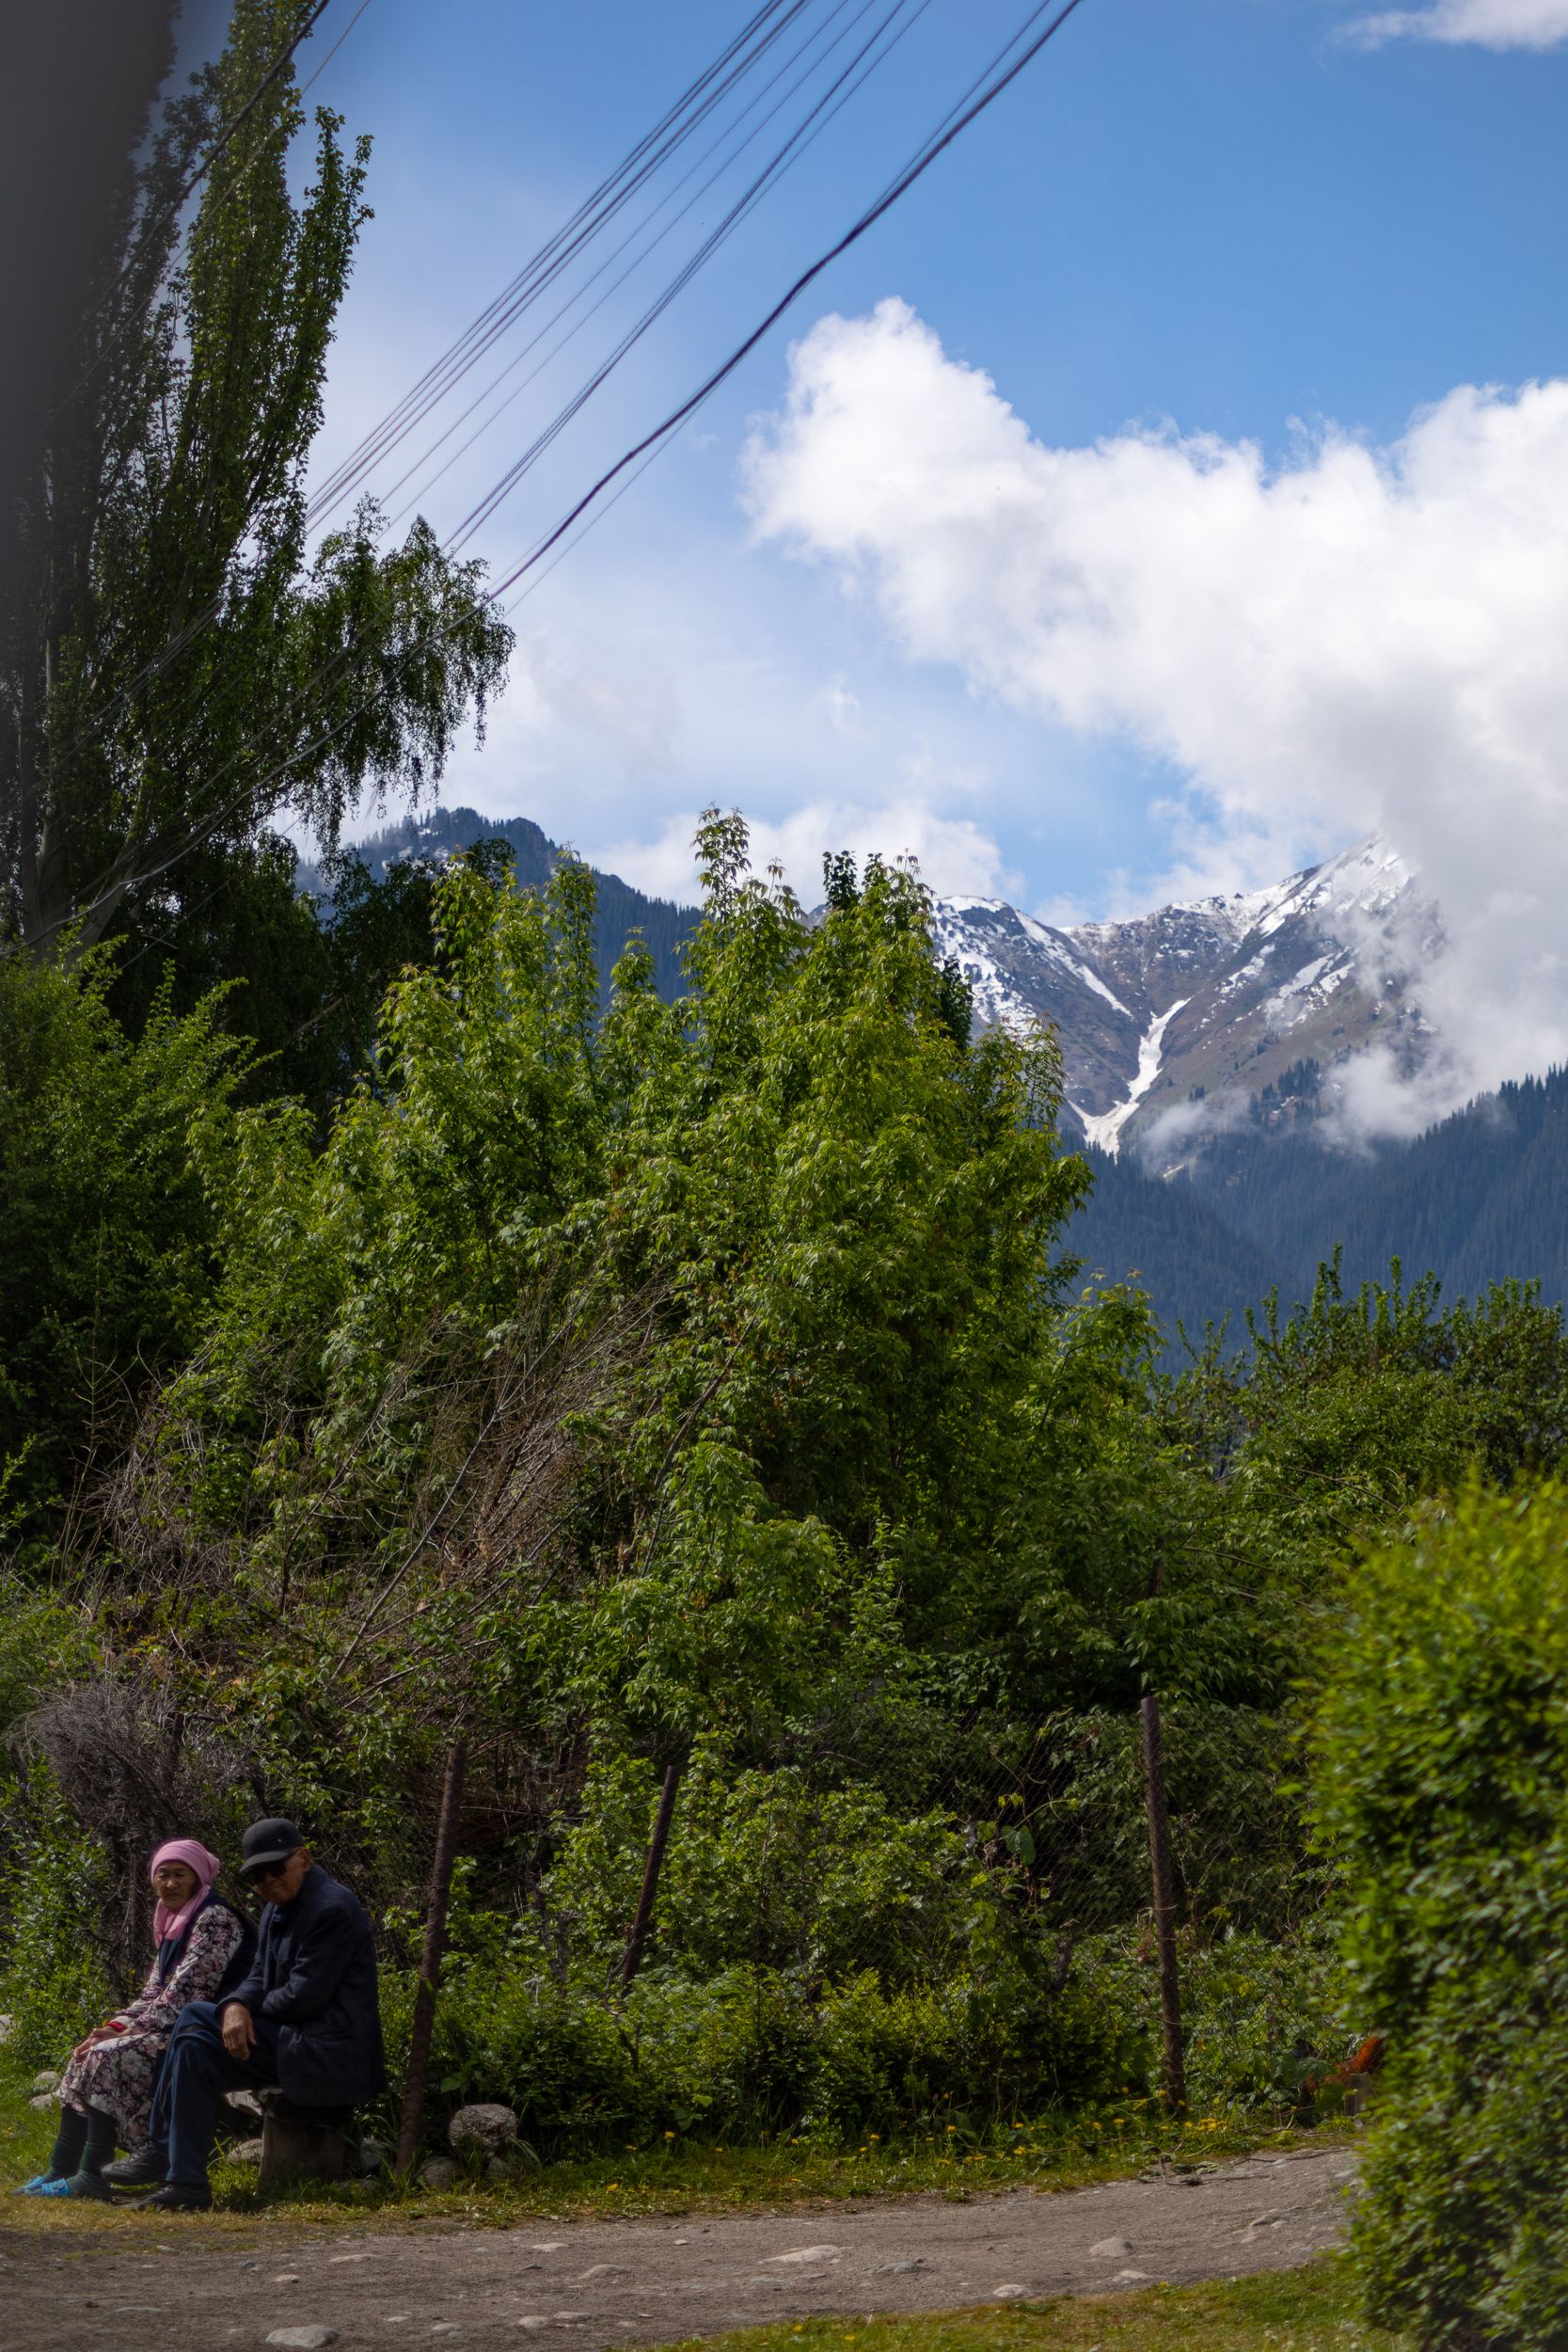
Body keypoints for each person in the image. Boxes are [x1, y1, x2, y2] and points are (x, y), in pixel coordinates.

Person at [106, 1817, 386, 2211]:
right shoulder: (278, 1905)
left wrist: (238, 2010)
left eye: (275, 1868)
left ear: (303, 1858)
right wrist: (236, 2005)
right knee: (193, 2046)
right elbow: (258, 1975)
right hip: (292, 2039)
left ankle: (164, 2152)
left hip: (327, 2051)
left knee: (194, 2018)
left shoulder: (331, 1909)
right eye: (257, 1876)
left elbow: (304, 1998)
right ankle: (185, 2184)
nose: (268, 1881)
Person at [14, 1839, 254, 2201]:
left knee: (108, 2056)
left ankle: (93, 2176)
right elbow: (154, 1991)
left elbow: (187, 1996)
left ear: (198, 1877)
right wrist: (112, 2027)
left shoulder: (214, 1917)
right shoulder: (173, 1919)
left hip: (207, 2032)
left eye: (180, 1875)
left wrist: (121, 2036)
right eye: (163, 1875)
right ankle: (61, 2167)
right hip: (176, 2026)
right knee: (86, 2052)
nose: (170, 1884)